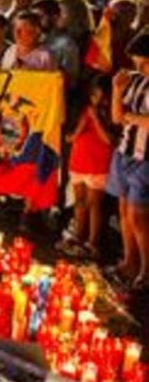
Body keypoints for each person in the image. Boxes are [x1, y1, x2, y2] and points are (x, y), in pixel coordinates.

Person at [109, 33, 149, 288]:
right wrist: (116, 91)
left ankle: (146, 268)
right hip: (124, 151)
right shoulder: (134, 81)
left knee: (138, 215)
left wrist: (130, 117)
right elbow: (116, 117)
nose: (139, 68)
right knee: (123, 210)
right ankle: (128, 260)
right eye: (137, 63)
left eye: (144, 63)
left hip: (146, 157)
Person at [60, 79, 113, 259]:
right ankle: (78, 237)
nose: (96, 101)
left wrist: (95, 118)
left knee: (94, 205)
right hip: (79, 162)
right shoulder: (83, 112)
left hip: (98, 166)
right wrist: (83, 122)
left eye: (100, 97)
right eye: (93, 96)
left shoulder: (110, 116)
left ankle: (92, 242)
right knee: (80, 202)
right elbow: (72, 137)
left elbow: (108, 140)